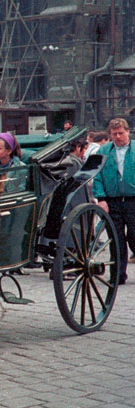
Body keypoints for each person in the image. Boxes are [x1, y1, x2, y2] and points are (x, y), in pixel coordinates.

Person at [92, 118, 135, 284]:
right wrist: (101, 198)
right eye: (114, 134)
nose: (118, 137)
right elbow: (96, 176)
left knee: (133, 235)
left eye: (121, 133)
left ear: (128, 132)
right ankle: (118, 275)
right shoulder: (103, 151)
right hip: (112, 201)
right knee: (115, 239)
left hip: (132, 200)